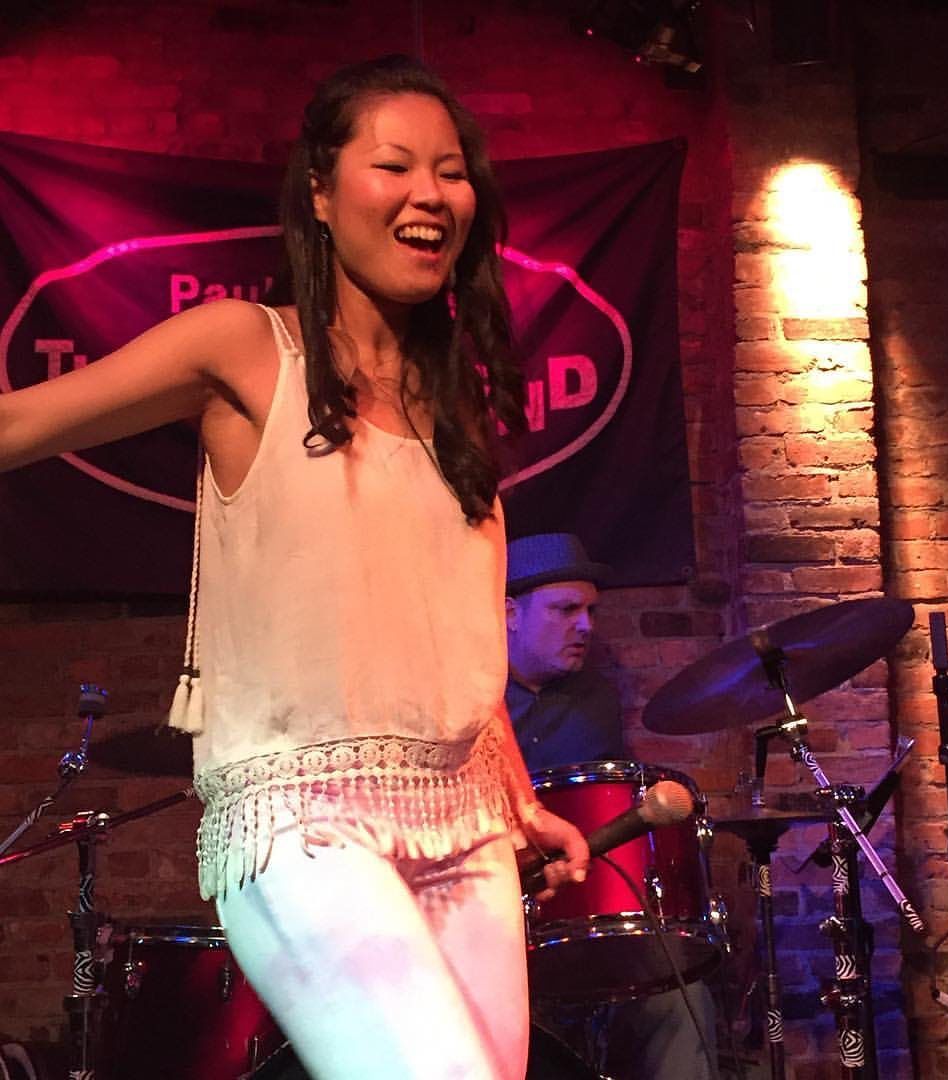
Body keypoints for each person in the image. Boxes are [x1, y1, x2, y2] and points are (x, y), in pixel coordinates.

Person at [0, 57, 589, 1080]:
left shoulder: (456, 403)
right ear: (320, 191)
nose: (429, 194)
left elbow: (453, 631)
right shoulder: (244, 348)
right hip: (301, 821)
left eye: (451, 172)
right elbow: (15, 424)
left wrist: (521, 799)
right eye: (394, 166)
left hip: (463, 822)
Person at [505, 532, 721, 1080]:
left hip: (586, 916)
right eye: (565, 610)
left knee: (679, 998)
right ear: (509, 615)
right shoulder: (470, 705)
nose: (585, 625)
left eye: (591, 611)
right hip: (497, 921)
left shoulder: (595, 699)